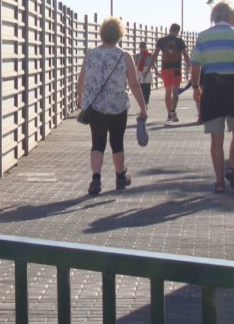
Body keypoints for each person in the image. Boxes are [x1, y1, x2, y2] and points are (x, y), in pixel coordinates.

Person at [190, 0, 234, 193]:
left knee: (216, 137)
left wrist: (196, 86)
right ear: (228, 16)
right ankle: (232, 167)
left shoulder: (203, 37)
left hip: (211, 89)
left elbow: (195, 64)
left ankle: (219, 182)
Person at [78, 17, 149, 195]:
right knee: (117, 142)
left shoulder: (90, 54)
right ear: (119, 35)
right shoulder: (124, 56)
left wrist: (80, 99)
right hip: (118, 106)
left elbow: (81, 81)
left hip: (95, 107)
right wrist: (143, 107)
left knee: (97, 142)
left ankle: (96, 180)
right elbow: (133, 83)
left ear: (101, 33)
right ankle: (120, 177)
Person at [152, 23, 189, 123]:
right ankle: (173, 110)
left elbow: (154, 55)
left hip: (165, 69)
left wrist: (153, 69)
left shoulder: (162, 40)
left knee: (168, 92)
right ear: (177, 31)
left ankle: (169, 114)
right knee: (175, 91)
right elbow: (185, 55)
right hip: (176, 69)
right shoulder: (179, 41)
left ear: (169, 29)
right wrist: (190, 67)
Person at [134, 41, 155, 106]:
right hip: (140, 72)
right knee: (141, 88)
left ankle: (146, 102)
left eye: (144, 47)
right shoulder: (137, 56)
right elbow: (135, 64)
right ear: (139, 48)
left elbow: (152, 64)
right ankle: (143, 103)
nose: (142, 49)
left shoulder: (150, 55)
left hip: (147, 71)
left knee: (147, 88)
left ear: (146, 47)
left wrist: (155, 71)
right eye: (141, 47)